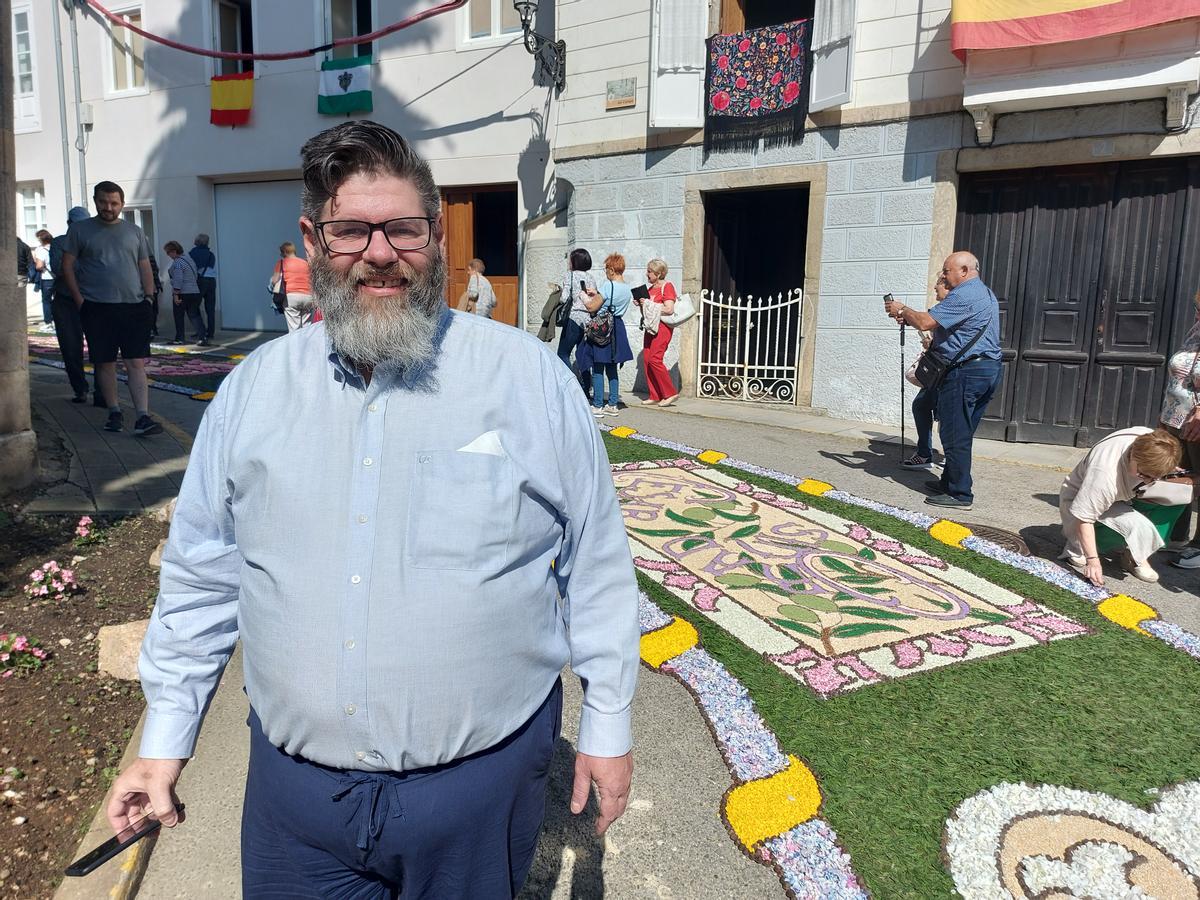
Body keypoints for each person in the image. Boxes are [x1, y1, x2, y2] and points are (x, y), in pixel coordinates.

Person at [107, 121, 638, 899]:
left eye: (404, 228)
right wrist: (164, 741)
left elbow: (594, 563)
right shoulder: (253, 393)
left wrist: (609, 725)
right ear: (312, 240)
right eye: (351, 229)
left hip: (475, 796)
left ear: (437, 234)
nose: (380, 253)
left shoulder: (530, 382)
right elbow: (202, 574)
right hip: (297, 808)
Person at [884, 251, 1002, 511]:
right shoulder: (984, 293)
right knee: (962, 430)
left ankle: (960, 493)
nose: (944, 276)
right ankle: (949, 482)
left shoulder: (966, 293)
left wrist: (902, 308)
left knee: (954, 432)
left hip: (966, 372)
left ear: (964, 270)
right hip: (985, 369)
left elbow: (926, 322)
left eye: (947, 271)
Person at [60, 181, 163, 437]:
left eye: (114, 203)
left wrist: (149, 298)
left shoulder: (134, 232)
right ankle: (114, 411)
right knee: (104, 362)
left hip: (133, 307)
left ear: (122, 204)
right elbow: (67, 266)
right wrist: (79, 300)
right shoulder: (81, 231)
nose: (109, 207)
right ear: (95, 201)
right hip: (97, 307)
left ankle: (142, 417)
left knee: (135, 362)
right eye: (104, 202)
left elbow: (144, 266)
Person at [1058, 427, 1183, 585]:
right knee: (1137, 526)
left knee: (1178, 496)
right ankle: (1078, 545)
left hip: (1124, 496)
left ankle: (1135, 554)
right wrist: (1093, 561)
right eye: (1143, 474)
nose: (1147, 481)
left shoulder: (1153, 442)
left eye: (1154, 477)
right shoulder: (1105, 474)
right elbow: (1084, 518)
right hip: (1079, 498)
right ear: (1133, 456)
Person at [1158, 291, 1200, 569]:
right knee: (1177, 477)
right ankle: (1176, 535)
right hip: (1175, 419)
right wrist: (1164, 417)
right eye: (1197, 306)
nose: (1197, 313)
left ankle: (1199, 547)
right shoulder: (1196, 329)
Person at [576, 252, 635, 418]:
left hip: (602, 328)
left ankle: (598, 405)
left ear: (611, 270)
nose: (605, 272)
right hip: (617, 327)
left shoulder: (608, 286)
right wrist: (596, 293)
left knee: (597, 367)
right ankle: (613, 404)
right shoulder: (626, 288)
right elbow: (610, 302)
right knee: (612, 368)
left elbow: (592, 308)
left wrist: (584, 297)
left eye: (606, 269)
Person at [901, 273, 949, 470]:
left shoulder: (954, 305)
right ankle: (925, 453)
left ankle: (948, 457)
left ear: (948, 286)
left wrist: (903, 310)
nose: (935, 288)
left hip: (951, 371)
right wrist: (930, 343)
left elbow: (923, 322)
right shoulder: (942, 309)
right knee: (921, 405)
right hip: (939, 372)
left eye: (938, 283)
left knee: (947, 414)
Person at [49, 207, 93, 403]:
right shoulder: (60, 242)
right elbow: (59, 268)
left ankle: (102, 393)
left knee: (100, 347)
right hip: (66, 301)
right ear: (69, 225)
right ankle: (80, 389)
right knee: (70, 347)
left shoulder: (94, 241)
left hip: (92, 299)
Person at [556, 248, 598, 394]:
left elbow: (564, 298)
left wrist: (558, 291)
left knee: (562, 353)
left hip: (574, 318)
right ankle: (586, 388)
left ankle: (572, 387)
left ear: (575, 261)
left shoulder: (570, 275)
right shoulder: (591, 277)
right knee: (583, 356)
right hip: (588, 319)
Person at [639, 258, 679, 407]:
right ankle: (654, 395)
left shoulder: (667, 286)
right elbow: (648, 312)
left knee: (655, 359)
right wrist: (641, 304)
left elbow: (669, 309)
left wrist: (649, 303)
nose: (647, 274)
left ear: (659, 273)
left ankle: (670, 393)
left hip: (662, 327)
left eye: (649, 272)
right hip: (650, 326)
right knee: (647, 360)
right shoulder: (649, 290)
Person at [164, 241, 208, 347]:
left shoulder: (178, 262)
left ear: (174, 251)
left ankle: (179, 338)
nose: (168, 255)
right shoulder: (189, 260)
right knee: (194, 315)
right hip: (194, 291)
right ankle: (203, 337)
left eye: (168, 253)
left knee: (178, 315)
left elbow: (178, 279)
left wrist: (176, 294)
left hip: (183, 292)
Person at [270, 241, 314, 332]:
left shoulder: (281, 263)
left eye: (281, 252)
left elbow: (275, 280)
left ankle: (296, 346)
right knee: (307, 328)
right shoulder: (305, 263)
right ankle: (307, 345)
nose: (281, 254)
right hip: (308, 297)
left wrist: (272, 284)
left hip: (291, 297)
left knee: (294, 329)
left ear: (285, 252)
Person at [189, 234, 218, 342]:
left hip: (200, 281)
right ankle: (210, 332)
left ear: (197, 241)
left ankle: (200, 330)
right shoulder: (211, 254)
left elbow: (191, 267)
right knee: (210, 308)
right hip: (212, 281)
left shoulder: (193, 253)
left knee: (194, 306)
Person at [32, 229, 55, 331]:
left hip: (47, 278)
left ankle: (48, 322)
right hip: (58, 277)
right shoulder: (55, 246)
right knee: (58, 300)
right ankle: (58, 321)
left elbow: (39, 266)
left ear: (41, 239)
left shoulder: (41, 250)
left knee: (46, 301)